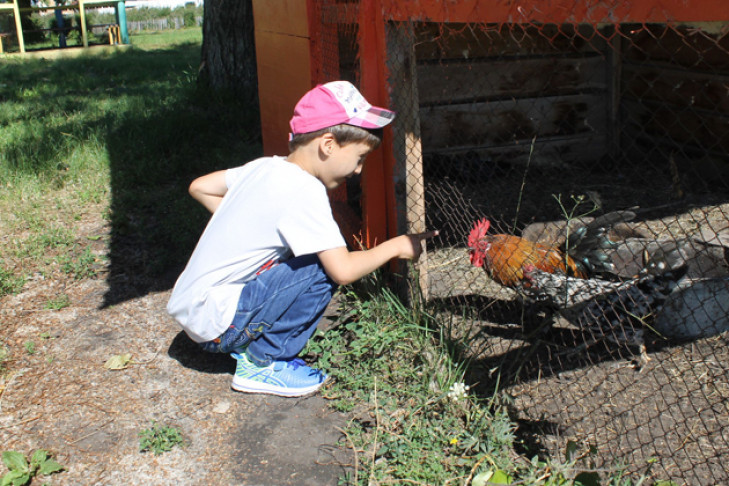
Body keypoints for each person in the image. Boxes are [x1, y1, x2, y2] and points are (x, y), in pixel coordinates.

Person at [167, 80, 437, 398]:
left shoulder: (264, 166)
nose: (359, 170)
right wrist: (398, 246)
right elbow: (343, 271)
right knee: (321, 267)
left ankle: (244, 339)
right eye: (360, 157)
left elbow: (199, 186)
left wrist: (243, 225)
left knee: (301, 257)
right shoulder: (305, 189)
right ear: (328, 145)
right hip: (217, 325)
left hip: (194, 313)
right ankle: (263, 362)